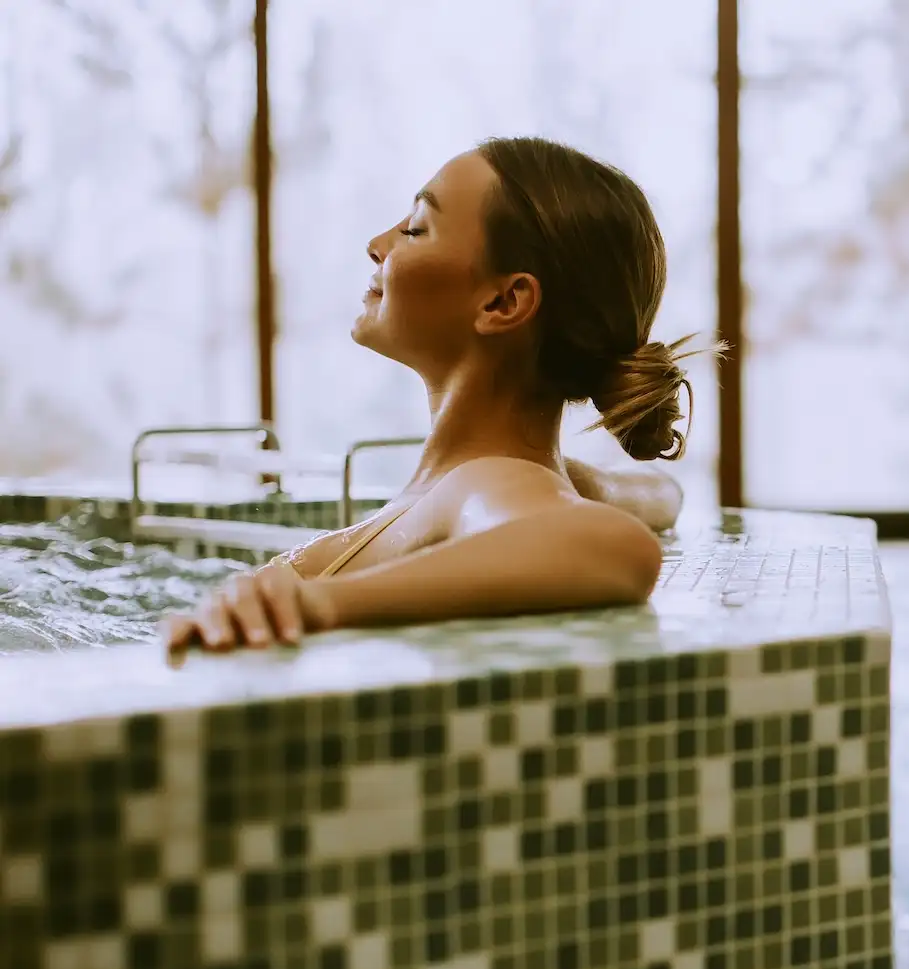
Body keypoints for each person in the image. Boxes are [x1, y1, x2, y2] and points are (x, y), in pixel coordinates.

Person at [162, 136, 710, 663]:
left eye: (416, 228)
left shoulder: (490, 481)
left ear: (502, 301)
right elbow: (658, 497)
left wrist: (317, 606)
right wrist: (605, 486)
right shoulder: (502, 481)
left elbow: (614, 549)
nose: (378, 243)